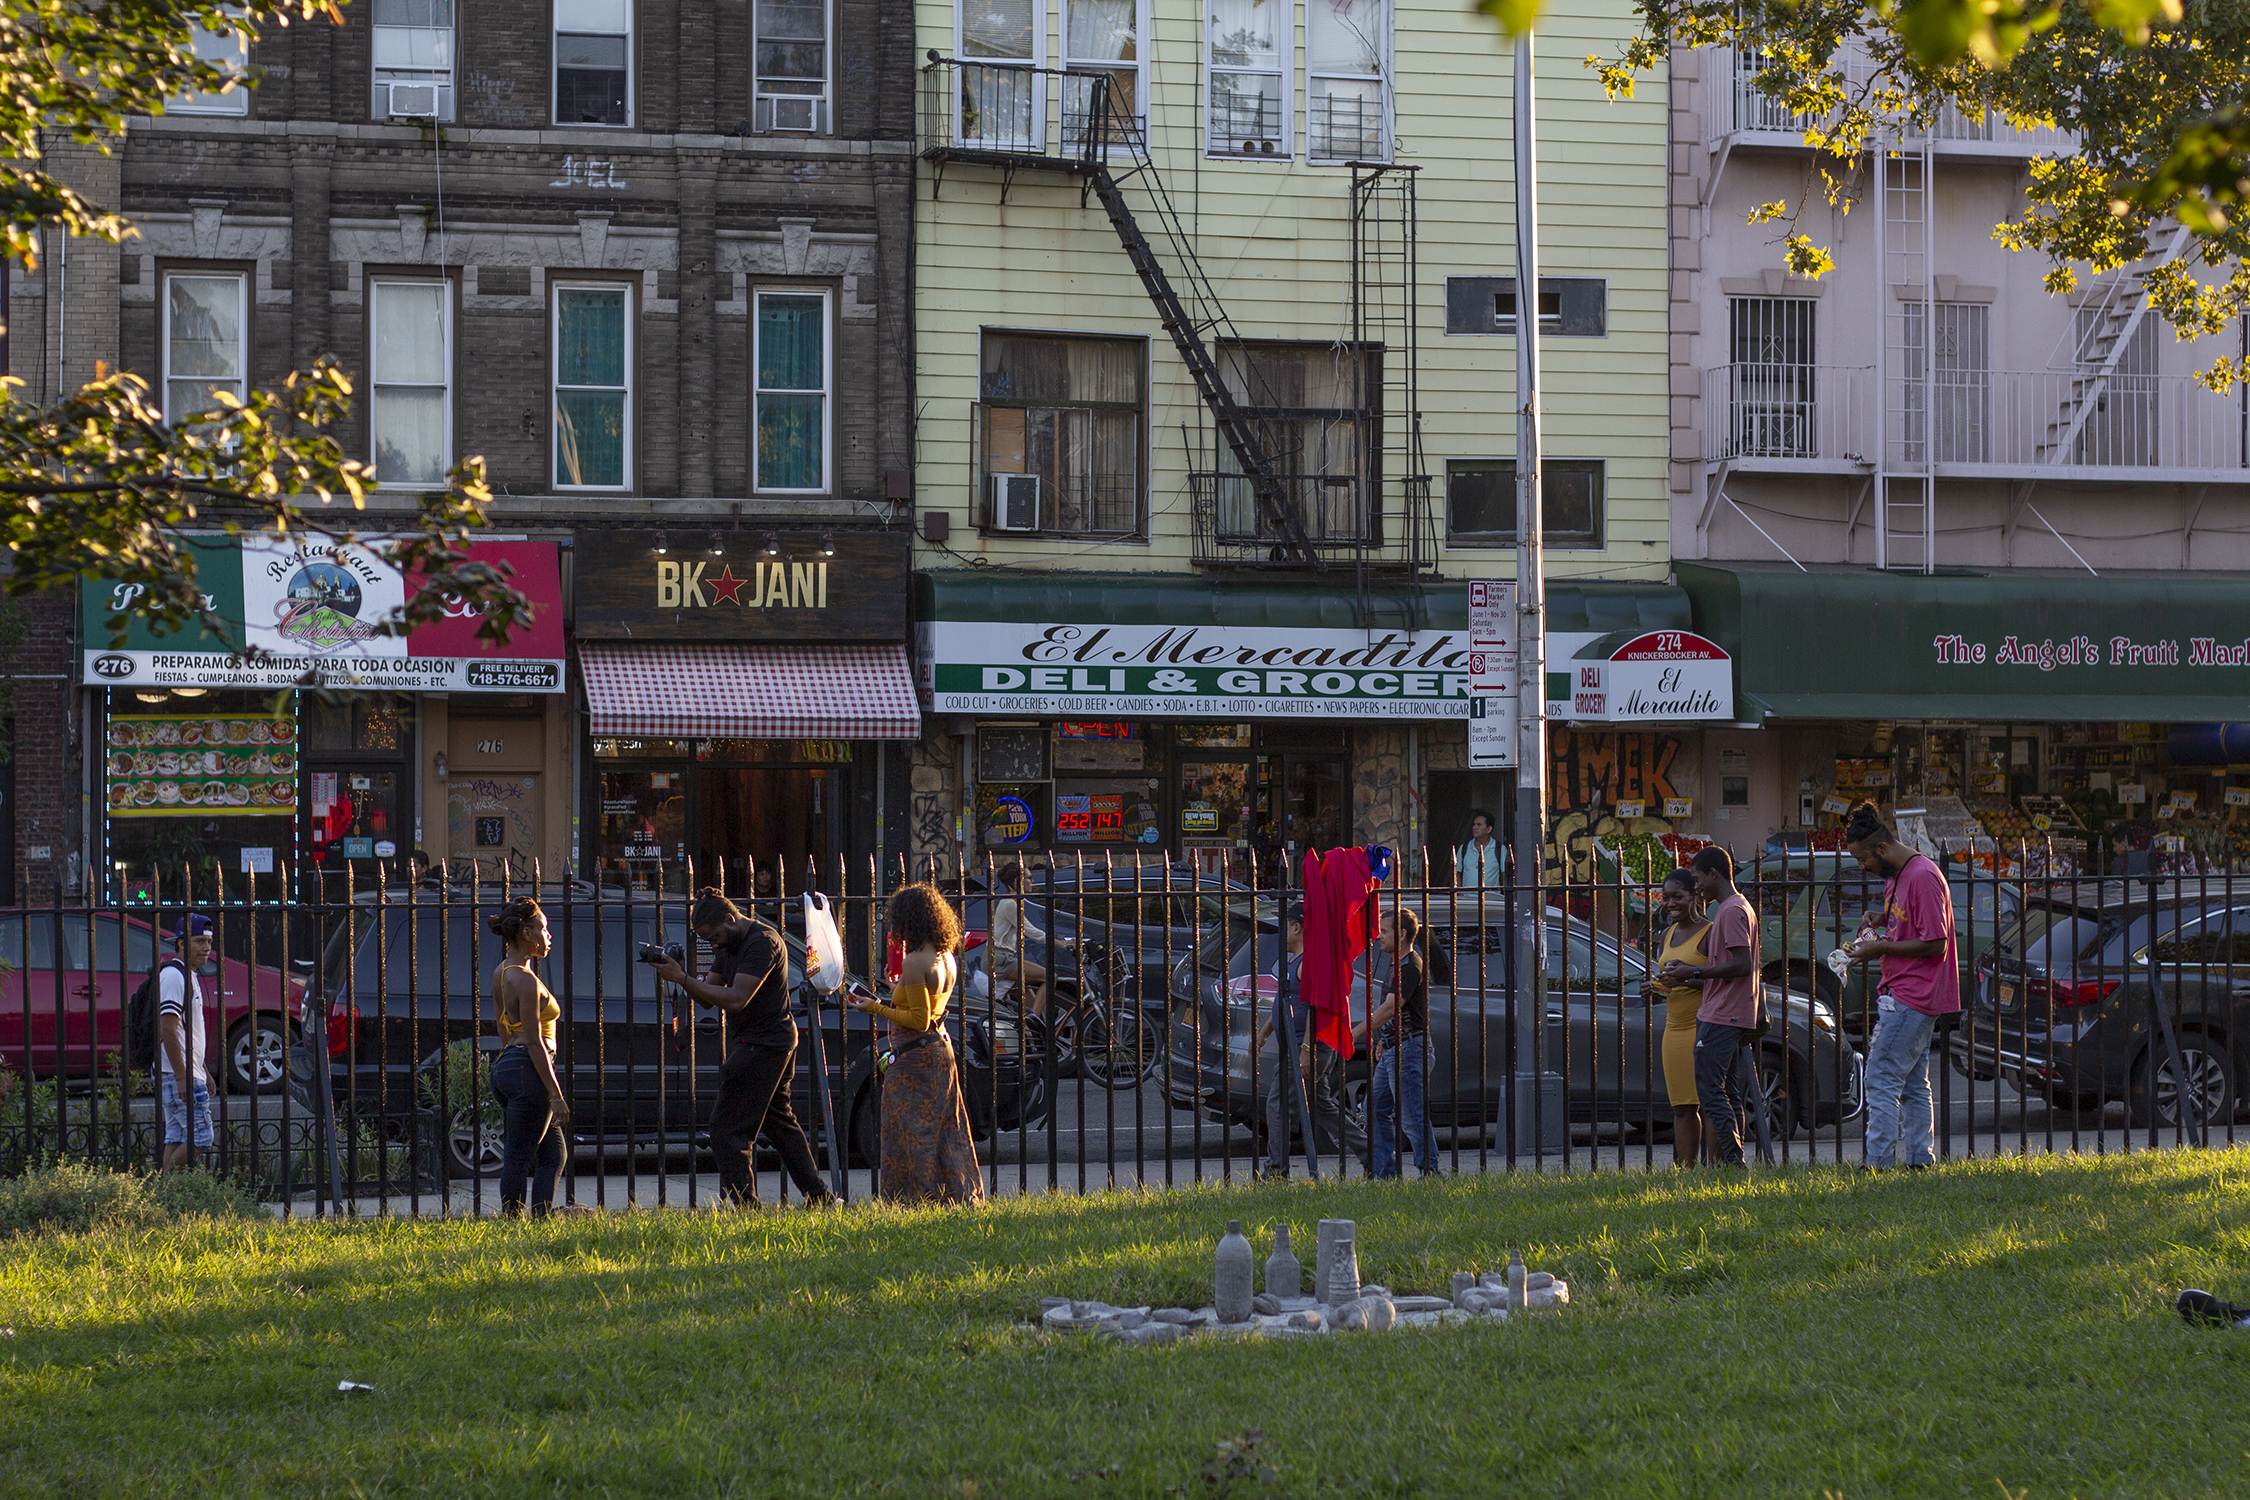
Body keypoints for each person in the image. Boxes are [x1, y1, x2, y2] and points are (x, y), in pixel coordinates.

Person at [654, 888, 836, 1209]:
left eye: (713, 937)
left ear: (729, 919)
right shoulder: (730, 942)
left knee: (726, 1129)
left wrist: (683, 979)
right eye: (707, 940)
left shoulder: (761, 942)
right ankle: (820, 1197)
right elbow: (709, 997)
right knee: (779, 1123)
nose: (713, 944)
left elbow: (738, 998)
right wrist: (680, 972)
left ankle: (747, 1207)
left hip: (764, 1043)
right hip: (761, 1041)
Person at [852, 883, 984, 1206]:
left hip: (915, 1058)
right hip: (940, 1052)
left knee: (909, 1133)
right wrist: (894, 987)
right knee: (948, 1130)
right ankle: (959, 1196)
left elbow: (917, 1020)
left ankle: (914, 1200)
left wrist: (872, 1007)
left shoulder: (914, 961)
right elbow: (926, 1006)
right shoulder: (945, 956)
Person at [1842, 801, 1958, 1171]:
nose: (1862, 868)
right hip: (1905, 990)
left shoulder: (1922, 876)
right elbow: (1909, 924)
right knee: (1911, 1083)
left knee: (1880, 1077)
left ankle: (1877, 1163)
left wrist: (1881, 947)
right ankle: (1919, 1160)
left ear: (1881, 849)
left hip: (1914, 993)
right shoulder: (1896, 876)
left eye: (1863, 860)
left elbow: (1936, 942)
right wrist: (1882, 918)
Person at [1662, 846, 1762, 1166]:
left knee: (1711, 1093)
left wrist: (1693, 971)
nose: (1697, 887)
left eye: (1697, 879)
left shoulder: (1731, 911)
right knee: (1727, 1093)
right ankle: (1731, 1164)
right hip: (1724, 1012)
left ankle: (1732, 1164)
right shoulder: (1736, 907)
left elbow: (1742, 964)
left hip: (1723, 1014)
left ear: (1713, 875)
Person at [1253, 903, 1367, 1178]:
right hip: (1293, 1046)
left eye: (1285, 926)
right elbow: (1288, 1001)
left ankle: (1276, 1170)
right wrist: (1266, 1030)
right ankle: (1373, 1154)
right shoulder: (1293, 960)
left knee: (1277, 1103)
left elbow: (1316, 1011)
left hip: (1306, 1048)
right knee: (1322, 1108)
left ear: (1297, 927)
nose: (1281, 932)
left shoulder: (1309, 962)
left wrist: (1306, 1050)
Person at [488, 897, 570, 1218]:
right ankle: (513, 1223)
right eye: (543, 929)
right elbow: (535, 1042)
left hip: (507, 1067)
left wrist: (514, 1060)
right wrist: (556, 1094)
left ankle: (540, 1219)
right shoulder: (525, 980)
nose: (548, 936)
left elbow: (502, 1026)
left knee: (553, 1154)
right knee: (520, 1157)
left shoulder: (502, 973)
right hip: (528, 1070)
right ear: (525, 933)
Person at [1359, 908, 1438, 1178]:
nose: (1379, 936)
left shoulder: (1410, 965)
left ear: (1402, 934)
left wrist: (1355, 1032)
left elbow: (1391, 1008)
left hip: (1409, 1049)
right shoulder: (1397, 963)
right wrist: (1383, 1039)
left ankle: (1429, 1171)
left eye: (1385, 931)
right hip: (1394, 1048)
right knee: (1374, 1109)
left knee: (1412, 1116)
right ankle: (1384, 1172)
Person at [1648, 869, 1714, 1167]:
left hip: (1703, 1025)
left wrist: (1686, 980)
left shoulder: (1710, 932)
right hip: (1673, 1027)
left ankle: (1717, 1170)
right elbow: (1670, 980)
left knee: (1711, 1104)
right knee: (1681, 1106)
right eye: (1666, 897)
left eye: (1678, 897)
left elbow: (1723, 981)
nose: (1671, 903)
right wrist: (1657, 986)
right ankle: (1685, 1172)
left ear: (1695, 896)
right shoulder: (1667, 934)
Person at [157, 913, 222, 1173]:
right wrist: (183, 1077)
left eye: (208, 941)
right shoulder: (174, 977)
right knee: (202, 1137)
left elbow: (187, 1032)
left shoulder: (190, 974)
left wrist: (203, 1070)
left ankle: (168, 1200)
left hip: (187, 1072)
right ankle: (163, 1186)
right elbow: (168, 1030)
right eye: (198, 941)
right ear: (181, 943)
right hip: (178, 1075)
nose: (206, 948)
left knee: (175, 1137)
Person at [990, 861, 1071, 1014]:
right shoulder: (1010, 904)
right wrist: (1061, 943)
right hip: (1001, 960)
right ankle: (1031, 1021)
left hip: (1003, 958)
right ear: (1016, 882)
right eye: (1029, 878)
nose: (1032, 882)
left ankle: (1028, 1030)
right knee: (1050, 977)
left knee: (1032, 1006)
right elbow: (1032, 932)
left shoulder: (1012, 902)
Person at [1456, 810, 1504, 890]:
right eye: (1474, 824)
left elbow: (1504, 874)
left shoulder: (1499, 849)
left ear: (1489, 829)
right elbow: (1457, 873)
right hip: (1467, 899)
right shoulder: (1464, 847)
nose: (1474, 827)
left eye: (1479, 825)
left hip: (1492, 899)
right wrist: (1460, 894)